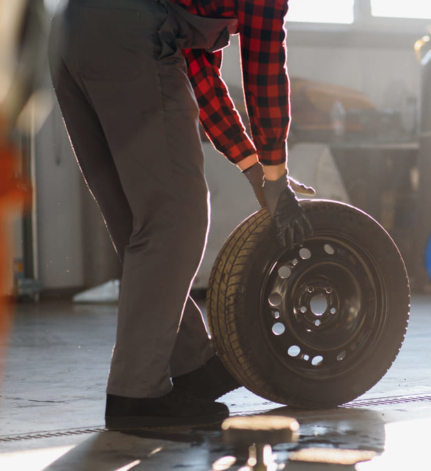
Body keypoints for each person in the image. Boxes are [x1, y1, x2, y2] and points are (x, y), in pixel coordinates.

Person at [49, 0, 312, 429]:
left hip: (72, 31)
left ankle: (189, 362)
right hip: (128, 32)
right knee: (176, 219)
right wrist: (276, 172)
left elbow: (201, 75)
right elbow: (263, 70)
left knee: (138, 223)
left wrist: (252, 166)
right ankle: (137, 395)